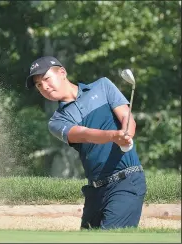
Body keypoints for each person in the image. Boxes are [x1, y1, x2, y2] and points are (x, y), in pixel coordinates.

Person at [25, 56, 147, 230]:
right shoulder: (56, 121)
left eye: (46, 79)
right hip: (95, 191)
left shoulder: (103, 86)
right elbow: (83, 134)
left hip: (126, 180)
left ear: (62, 73)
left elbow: (127, 117)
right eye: (38, 85)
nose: (44, 87)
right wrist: (113, 136)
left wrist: (127, 134)